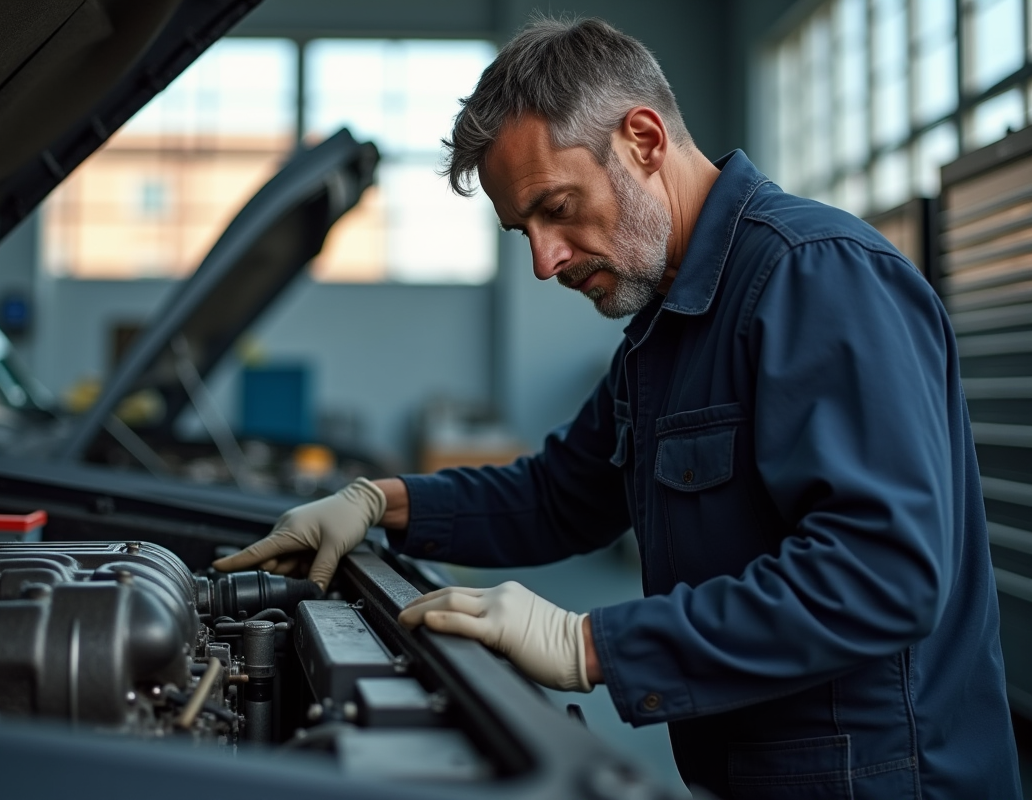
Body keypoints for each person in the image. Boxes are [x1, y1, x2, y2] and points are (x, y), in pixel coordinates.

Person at [214, 16, 1022, 799]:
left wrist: (591, 644)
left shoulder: (816, 278)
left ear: (643, 140)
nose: (543, 260)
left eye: (556, 209)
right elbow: (561, 495)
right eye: (521, 228)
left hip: (885, 781)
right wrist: (378, 503)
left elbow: (881, 574)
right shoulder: (664, 329)